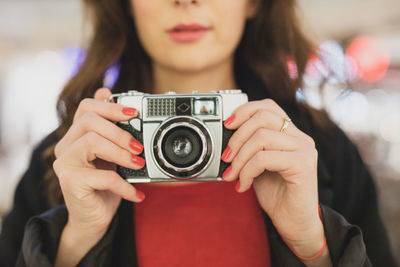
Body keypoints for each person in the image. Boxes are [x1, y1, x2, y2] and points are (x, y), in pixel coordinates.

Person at [0, 0, 397, 266]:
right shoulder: (68, 156)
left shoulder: (317, 148)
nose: (186, 0)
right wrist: (75, 239)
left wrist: (313, 242)